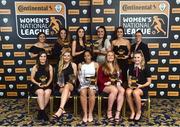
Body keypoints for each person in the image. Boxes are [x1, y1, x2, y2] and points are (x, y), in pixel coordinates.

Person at [97, 51, 125, 122]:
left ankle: (117, 113)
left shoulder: (117, 66)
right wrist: (105, 83)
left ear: (114, 57)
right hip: (104, 85)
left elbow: (120, 77)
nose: (110, 57)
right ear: (106, 57)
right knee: (114, 90)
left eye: (112, 55)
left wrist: (119, 81)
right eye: (108, 55)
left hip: (115, 84)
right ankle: (109, 111)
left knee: (122, 90)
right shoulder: (102, 66)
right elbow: (99, 78)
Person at [126, 50, 151, 121]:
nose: (136, 59)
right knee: (127, 92)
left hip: (143, 87)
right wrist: (129, 84)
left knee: (135, 92)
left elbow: (149, 82)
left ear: (142, 58)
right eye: (135, 57)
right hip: (133, 86)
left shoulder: (146, 67)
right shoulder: (131, 67)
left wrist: (141, 86)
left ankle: (139, 112)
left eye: (138, 57)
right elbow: (130, 79)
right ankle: (133, 112)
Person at [52, 49, 77, 120]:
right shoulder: (59, 65)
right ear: (62, 56)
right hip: (61, 86)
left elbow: (74, 78)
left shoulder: (73, 65)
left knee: (67, 86)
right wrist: (59, 83)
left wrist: (69, 82)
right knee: (67, 92)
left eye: (68, 56)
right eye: (65, 56)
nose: (66, 57)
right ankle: (62, 109)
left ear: (70, 57)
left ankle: (60, 109)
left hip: (71, 85)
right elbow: (55, 79)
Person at [30, 51, 53, 121]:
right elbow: (31, 78)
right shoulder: (35, 66)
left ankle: (40, 112)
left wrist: (48, 84)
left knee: (47, 92)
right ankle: (43, 112)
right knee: (41, 92)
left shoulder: (49, 66)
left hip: (47, 85)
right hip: (37, 85)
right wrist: (38, 83)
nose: (43, 58)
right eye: (41, 56)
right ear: (39, 58)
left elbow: (51, 78)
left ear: (46, 58)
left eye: (44, 56)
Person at [78, 50, 99, 123]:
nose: (87, 57)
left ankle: (90, 113)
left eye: (88, 55)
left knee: (91, 91)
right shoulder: (80, 65)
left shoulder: (96, 64)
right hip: (83, 82)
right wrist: (83, 83)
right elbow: (79, 76)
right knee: (83, 92)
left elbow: (97, 76)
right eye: (85, 56)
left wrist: (93, 82)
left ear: (91, 56)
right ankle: (85, 114)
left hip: (93, 83)